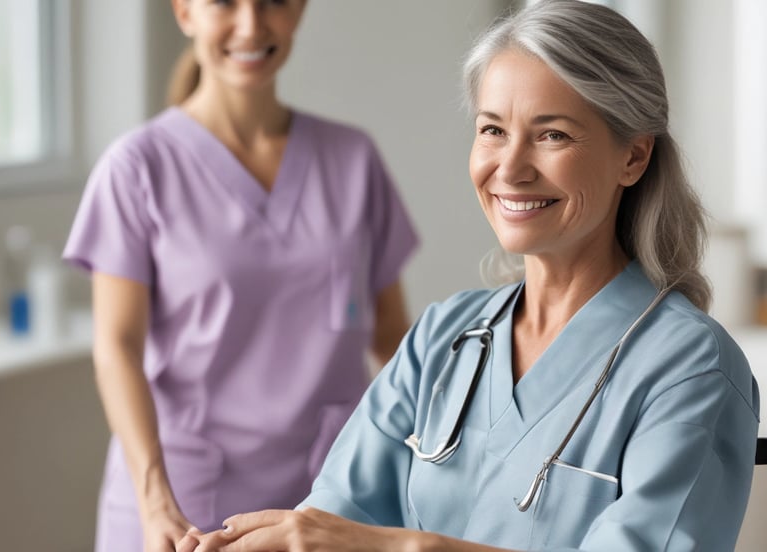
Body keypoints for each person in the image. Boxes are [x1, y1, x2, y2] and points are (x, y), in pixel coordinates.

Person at [176, 0, 760, 551]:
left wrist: (407, 545)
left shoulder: (690, 369)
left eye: (552, 134)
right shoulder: (442, 338)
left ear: (632, 157)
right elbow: (333, 522)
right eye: (492, 130)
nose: (510, 168)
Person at [62, 0, 419, 550]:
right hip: (182, 504)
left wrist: (424, 465)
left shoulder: (352, 159)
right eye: (225, 3)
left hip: (330, 494)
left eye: (273, 1)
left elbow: (394, 338)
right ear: (184, 13)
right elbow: (117, 346)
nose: (251, 25)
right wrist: (155, 500)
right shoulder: (137, 168)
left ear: (298, 10)